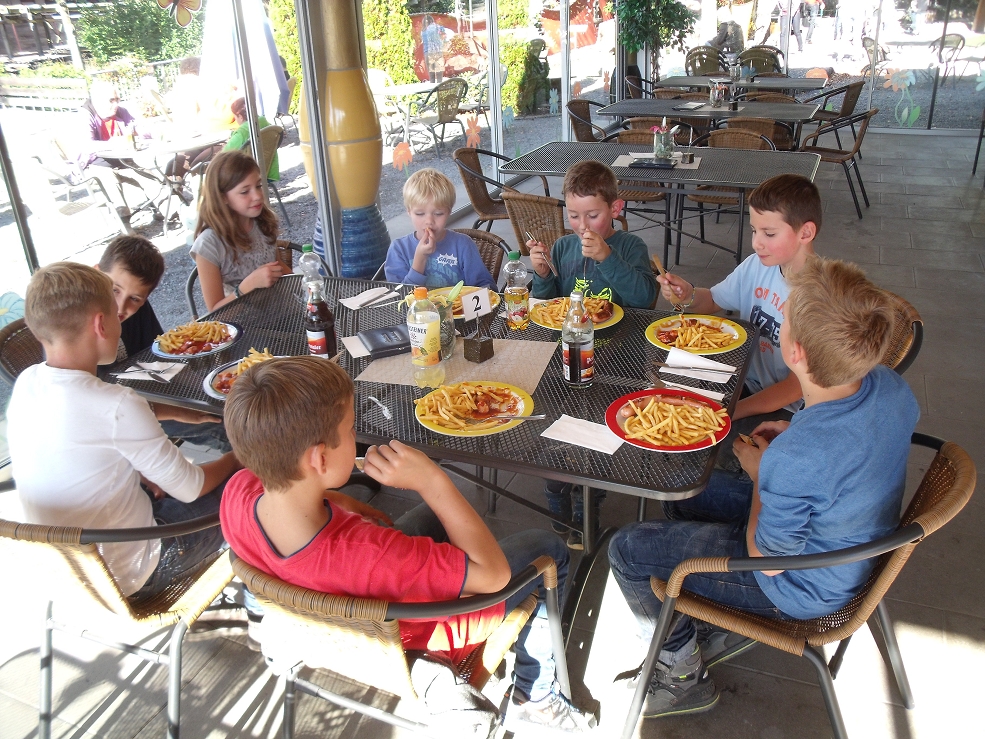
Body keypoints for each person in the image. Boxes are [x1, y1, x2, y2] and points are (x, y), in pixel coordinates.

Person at [608, 257, 920, 719]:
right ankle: (703, 614)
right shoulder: (890, 386)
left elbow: (767, 561)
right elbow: (849, 446)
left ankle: (681, 674)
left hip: (800, 585)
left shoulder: (797, 460)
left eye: (785, 317)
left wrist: (763, 475)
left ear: (796, 354)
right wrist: (790, 442)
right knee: (682, 487)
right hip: (849, 534)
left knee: (627, 551)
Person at [220, 356, 596, 734]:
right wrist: (433, 481)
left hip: (326, 620)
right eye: (351, 429)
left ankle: (454, 576)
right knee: (547, 547)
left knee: (432, 516)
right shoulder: (375, 553)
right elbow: (495, 576)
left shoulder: (237, 492)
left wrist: (341, 499)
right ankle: (536, 697)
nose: (356, 435)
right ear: (319, 458)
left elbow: (332, 527)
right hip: (423, 635)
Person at [7, 263, 241, 601]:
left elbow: (82, 453)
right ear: (101, 324)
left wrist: (141, 473)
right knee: (257, 473)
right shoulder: (116, 404)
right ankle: (266, 584)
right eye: (116, 314)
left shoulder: (27, 382)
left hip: (69, 573)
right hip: (138, 572)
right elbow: (191, 488)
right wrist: (238, 457)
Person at [527, 160, 657, 548]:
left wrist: (607, 258)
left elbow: (644, 298)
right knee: (550, 421)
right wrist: (543, 276)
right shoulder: (564, 247)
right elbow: (548, 307)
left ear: (615, 209)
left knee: (600, 432)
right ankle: (556, 489)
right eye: (573, 215)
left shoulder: (630, 247)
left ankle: (591, 498)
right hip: (566, 357)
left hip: (618, 357)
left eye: (593, 215)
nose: (582, 226)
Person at [656, 174, 820, 474]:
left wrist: (731, 411)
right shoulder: (758, 266)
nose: (757, 242)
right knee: (667, 396)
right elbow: (713, 300)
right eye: (754, 230)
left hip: (789, 408)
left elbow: (796, 387)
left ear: (805, 232)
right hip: (742, 380)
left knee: (708, 448)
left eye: (769, 233)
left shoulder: (817, 296)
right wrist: (687, 294)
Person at [93, 235, 231, 453]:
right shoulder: (82, 323)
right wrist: (178, 411)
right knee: (228, 431)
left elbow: (157, 359)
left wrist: (202, 387)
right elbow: (97, 408)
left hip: (150, 393)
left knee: (229, 410)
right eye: (115, 289)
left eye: (135, 299)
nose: (120, 306)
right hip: (121, 417)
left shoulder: (139, 310)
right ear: (97, 273)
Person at [190, 150, 288, 312]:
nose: (257, 196)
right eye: (244, 191)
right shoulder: (208, 244)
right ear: (222, 197)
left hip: (284, 314)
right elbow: (215, 313)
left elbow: (279, 267)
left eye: (258, 186)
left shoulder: (263, 222)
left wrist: (307, 282)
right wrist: (246, 287)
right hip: (241, 324)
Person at [384, 168, 497, 290]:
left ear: (449, 212)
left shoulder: (463, 245)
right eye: (420, 214)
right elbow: (397, 295)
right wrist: (419, 260)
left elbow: (486, 287)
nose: (429, 221)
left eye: (438, 214)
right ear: (409, 212)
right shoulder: (399, 249)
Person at [75, 80, 151, 219]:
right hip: (94, 164)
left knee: (149, 176)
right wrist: (114, 143)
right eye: (111, 100)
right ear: (96, 100)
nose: (116, 104)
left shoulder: (120, 111)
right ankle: (124, 222)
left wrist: (138, 131)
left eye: (117, 100)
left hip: (121, 160)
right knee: (109, 180)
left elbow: (143, 130)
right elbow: (87, 146)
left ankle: (169, 210)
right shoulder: (85, 115)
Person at [223, 97, 278, 181]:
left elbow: (224, 155)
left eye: (235, 118)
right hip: (269, 171)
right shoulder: (264, 122)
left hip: (248, 176)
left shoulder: (242, 132)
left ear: (240, 116)